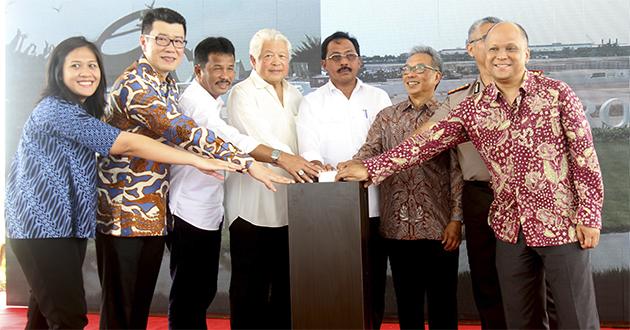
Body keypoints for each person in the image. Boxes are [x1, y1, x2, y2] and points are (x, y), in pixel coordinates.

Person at [337, 22, 603, 330]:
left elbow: (585, 157)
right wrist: (371, 167)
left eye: (510, 48)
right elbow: (423, 143)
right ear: (482, 54)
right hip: (509, 230)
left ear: (527, 54)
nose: (501, 56)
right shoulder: (472, 108)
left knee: (576, 319)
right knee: (519, 319)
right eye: (493, 49)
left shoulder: (557, 94)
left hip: (561, 224)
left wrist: (589, 214)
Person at [5, 36, 240, 330]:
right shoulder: (57, 111)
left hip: (66, 226)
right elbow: (126, 144)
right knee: (68, 318)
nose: (86, 72)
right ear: (58, 71)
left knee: (43, 313)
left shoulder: (81, 110)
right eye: (75, 65)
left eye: (92, 65)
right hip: (42, 228)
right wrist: (195, 159)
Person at [95, 8, 291, 329]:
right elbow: (186, 131)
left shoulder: (168, 83)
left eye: (177, 41)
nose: (172, 48)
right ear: (143, 41)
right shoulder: (137, 86)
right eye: (162, 39)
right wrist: (249, 164)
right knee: (124, 311)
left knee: (143, 308)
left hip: (153, 213)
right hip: (122, 215)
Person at [167, 36, 319, 329]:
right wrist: (281, 158)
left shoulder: (215, 100)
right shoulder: (197, 103)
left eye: (228, 68)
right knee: (191, 295)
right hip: (188, 210)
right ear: (198, 71)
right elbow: (229, 137)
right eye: (216, 69)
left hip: (210, 210)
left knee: (201, 292)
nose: (224, 75)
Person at [353, 46, 463, 329]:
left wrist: (456, 219)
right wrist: (344, 169)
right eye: (407, 69)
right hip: (397, 227)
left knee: (443, 305)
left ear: (437, 76)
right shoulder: (387, 116)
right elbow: (368, 153)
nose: (411, 74)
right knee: (407, 305)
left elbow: (457, 171)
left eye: (419, 69)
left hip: (439, 227)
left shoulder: (449, 116)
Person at [295, 31, 392, 329]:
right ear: (324, 64)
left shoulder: (379, 98)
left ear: (359, 61)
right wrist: (314, 162)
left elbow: (389, 146)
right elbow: (309, 149)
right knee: (336, 280)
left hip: (376, 204)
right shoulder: (311, 103)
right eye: (335, 57)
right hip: (332, 208)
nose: (344, 62)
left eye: (350, 56)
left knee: (374, 280)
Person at [226, 28, 313, 329]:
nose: (276, 62)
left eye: (282, 56)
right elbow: (258, 141)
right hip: (251, 207)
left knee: (286, 289)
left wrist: (314, 160)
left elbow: (307, 140)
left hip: (290, 207)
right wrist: (300, 161)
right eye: (268, 56)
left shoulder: (297, 94)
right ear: (253, 59)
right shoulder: (241, 93)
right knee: (250, 289)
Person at [430, 17, 509, 329]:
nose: (496, 47)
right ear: (471, 49)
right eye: (487, 39)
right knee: (486, 279)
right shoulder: (458, 100)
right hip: (480, 197)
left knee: (533, 277)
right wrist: (370, 165)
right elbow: (421, 141)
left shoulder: (539, 93)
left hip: (528, 195)